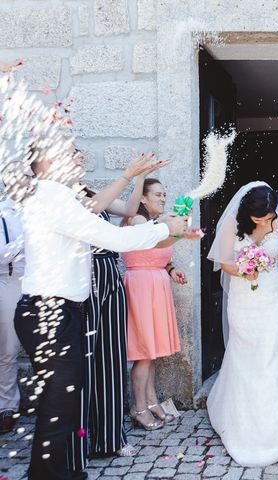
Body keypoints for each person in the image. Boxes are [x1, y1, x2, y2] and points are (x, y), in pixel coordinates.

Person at [14, 138, 188, 480]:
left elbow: (102, 216)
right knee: (58, 407)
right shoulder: (52, 198)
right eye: (68, 152)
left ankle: (62, 472)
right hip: (49, 315)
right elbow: (113, 238)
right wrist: (165, 227)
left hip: (61, 314)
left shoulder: (59, 196)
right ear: (47, 164)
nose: (80, 157)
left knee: (62, 407)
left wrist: (133, 182)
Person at [68, 151, 166, 472]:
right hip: (87, 274)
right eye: (73, 154)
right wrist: (128, 173)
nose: (80, 157)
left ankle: (110, 438)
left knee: (111, 356)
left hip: (110, 270)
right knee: (87, 358)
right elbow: (94, 213)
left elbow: (127, 208)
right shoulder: (63, 195)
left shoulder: (89, 192)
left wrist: (139, 176)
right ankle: (79, 443)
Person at [206, 182, 278, 466]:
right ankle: (244, 423)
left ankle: (276, 427)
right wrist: (244, 269)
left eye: (269, 218)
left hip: (275, 298)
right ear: (247, 214)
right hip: (243, 300)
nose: (266, 223)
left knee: (273, 355)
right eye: (260, 219)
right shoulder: (232, 224)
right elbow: (224, 263)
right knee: (246, 357)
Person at [124, 178, 201, 431]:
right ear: (143, 199)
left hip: (156, 284)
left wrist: (171, 268)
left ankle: (152, 401)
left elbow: (156, 253)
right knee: (143, 352)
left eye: (165, 194)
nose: (163, 198)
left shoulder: (154, 223)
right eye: (157, 194)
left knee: (151, 353)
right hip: (142, 287)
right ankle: (139, 407)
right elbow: (151, 244)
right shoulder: (136, 220)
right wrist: (176, 230)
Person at [0, 194, 23, 434]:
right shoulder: (2, 213)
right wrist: (29, 235)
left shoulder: (42, 207)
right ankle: (7, 407)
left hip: (45, 282)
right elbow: (1, 255)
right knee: (8, 349)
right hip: (11, 281)